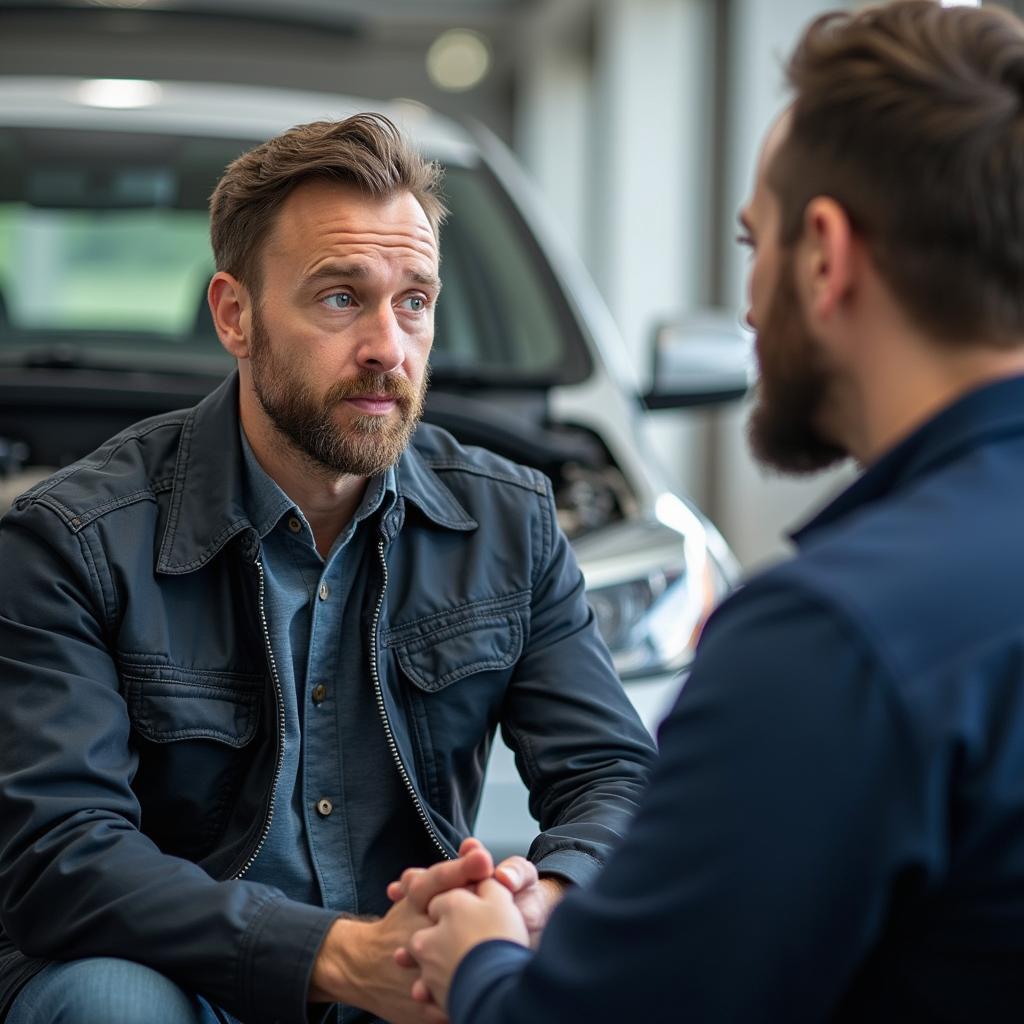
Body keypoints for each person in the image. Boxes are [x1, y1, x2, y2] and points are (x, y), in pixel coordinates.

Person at [394, 3, 1024, 1021]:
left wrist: (481, 956)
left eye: (752, 243)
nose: (745, 306)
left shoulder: (832, 640)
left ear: (824, 254)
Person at [0, 114, 656, 1024]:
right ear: (234, 315)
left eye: (414, 300)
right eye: (341, 297)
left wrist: (534, 900)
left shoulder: (513, 523)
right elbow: (61, 853)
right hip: (177, 974)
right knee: (111, 1005)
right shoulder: (73, 539)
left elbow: (615, 776)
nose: (389, 345)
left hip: (419, 967)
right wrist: (338, 954)